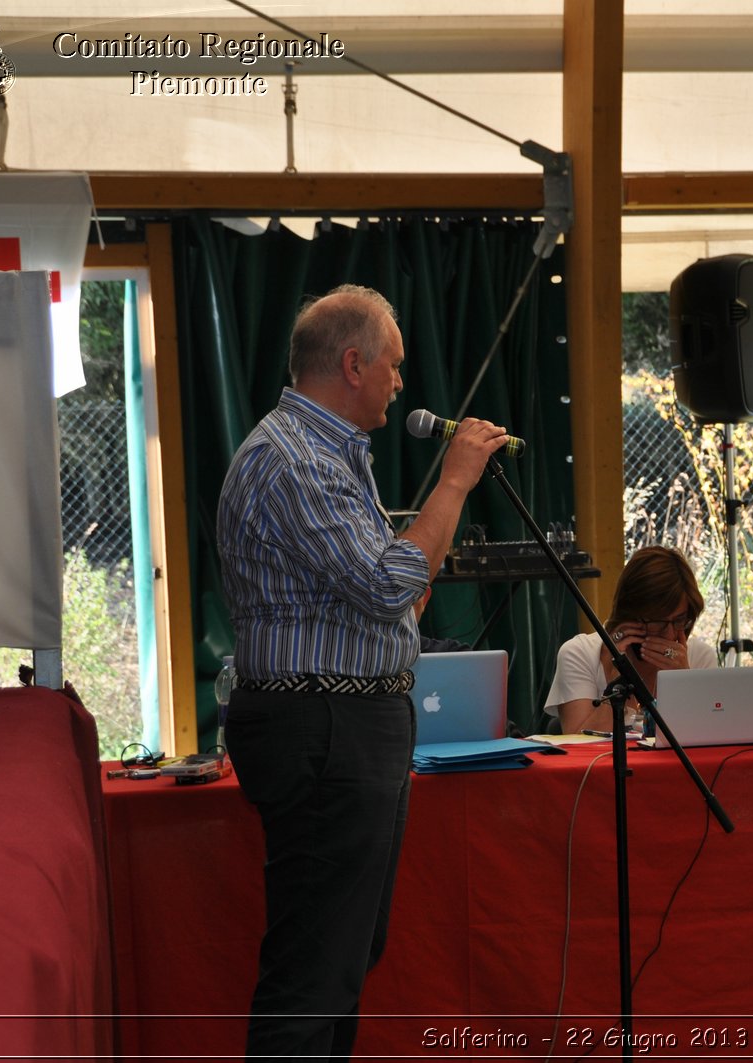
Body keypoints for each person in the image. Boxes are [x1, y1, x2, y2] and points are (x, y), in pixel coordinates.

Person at [217, 284, 510, 1058]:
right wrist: (453, 482)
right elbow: (389, 583)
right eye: (394, 365)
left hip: (349, 721)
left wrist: (408, 572)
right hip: (321, 726)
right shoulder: (293, 460)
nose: (401, 382)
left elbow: (386, 598)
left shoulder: (332, 457)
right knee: (314, 968)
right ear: (353, 363)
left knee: (344, 955)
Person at [544, 545, 717, 734]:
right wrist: (616, 684)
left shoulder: (700, 656)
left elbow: (711, 738)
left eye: (679, 620)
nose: (669, 634)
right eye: (658, 622)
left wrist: (684, 682)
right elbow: (577, 747)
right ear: (630, 615)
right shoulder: (580, 654)